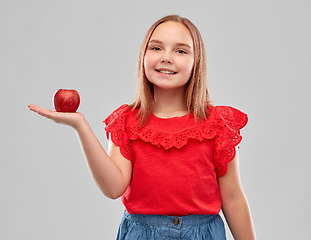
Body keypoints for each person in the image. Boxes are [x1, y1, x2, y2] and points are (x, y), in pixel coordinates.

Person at [28, 15, 255, 240]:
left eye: (181, 51)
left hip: (203, 234)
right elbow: (113, 188)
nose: (166, 58)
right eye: (156, 48)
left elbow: (233, 198)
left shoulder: (218, 124)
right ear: (143, 56)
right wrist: (81, 126)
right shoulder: (126, 121)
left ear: (198, 61)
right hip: (141, 233)